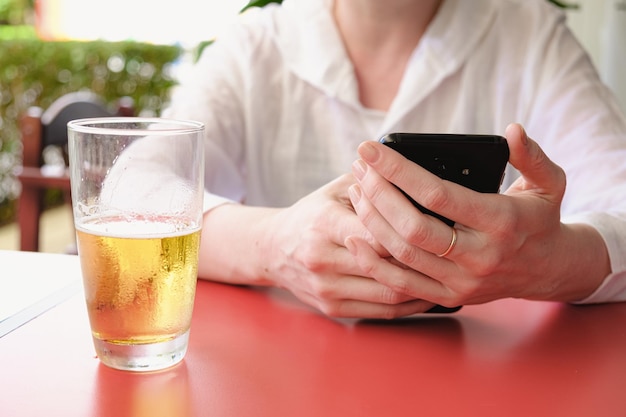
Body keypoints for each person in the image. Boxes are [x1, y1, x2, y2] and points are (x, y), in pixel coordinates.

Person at [162, 0, 626, 319]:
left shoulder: (529, 34)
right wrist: (273, 245)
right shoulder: (253, 46)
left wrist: (550, 261)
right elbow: (131, 190)